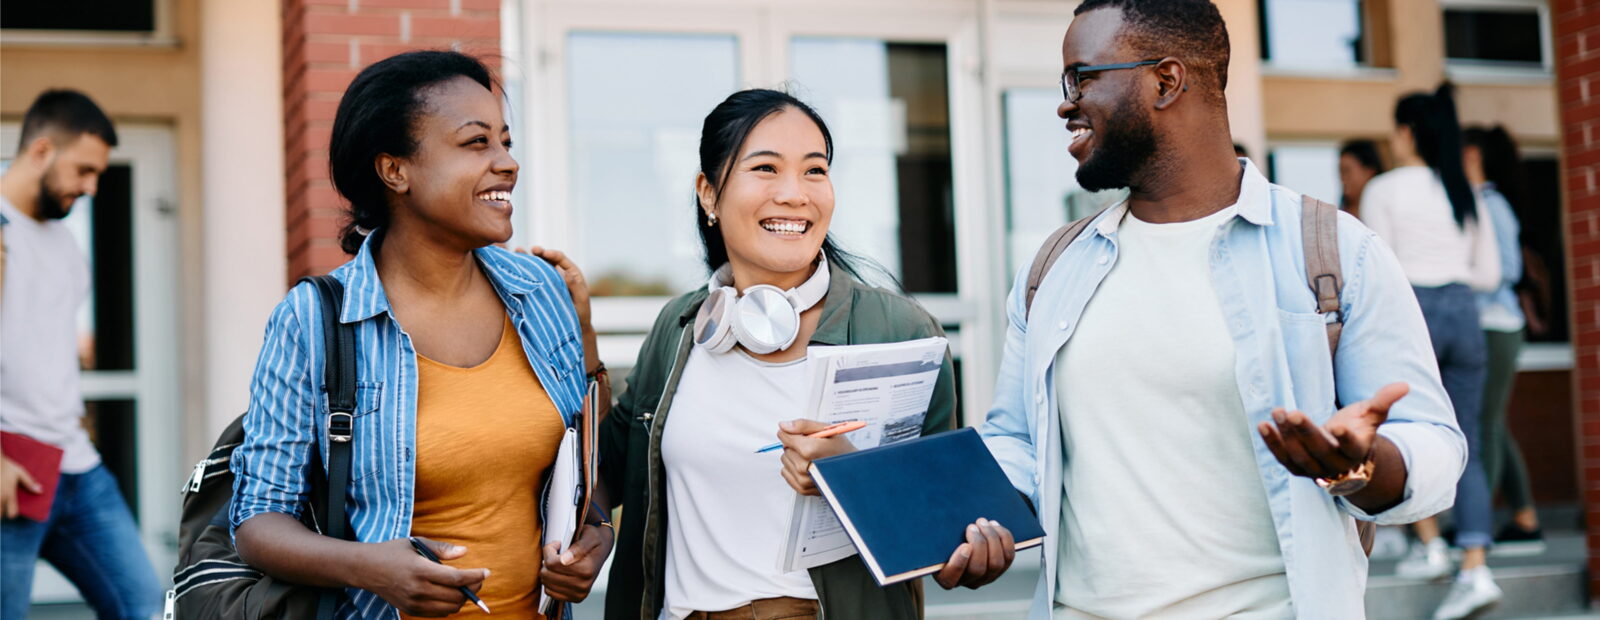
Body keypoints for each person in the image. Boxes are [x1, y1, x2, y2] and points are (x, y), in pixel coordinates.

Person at [975, 1, 1466, 618]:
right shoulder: (1052, 268)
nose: (1065, 103)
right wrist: (972, 519)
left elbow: (1433, 445)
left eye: (1082, 77)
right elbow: (1015, 441)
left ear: (1166, 81)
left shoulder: (1336, 252)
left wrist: (1360, 465)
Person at [593, 88, 1007, 620]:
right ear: (708, 194)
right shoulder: (677, 329)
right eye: (765, 168)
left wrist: (856, 481)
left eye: (815, 171)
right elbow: (608, 467)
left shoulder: (898, 330)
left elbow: (947, 523)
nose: (795, 194)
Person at [229, 51, 609, 618]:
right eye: (476, 143)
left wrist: (596, 532)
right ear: (395, 171)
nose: (507, 163)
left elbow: (583, 456)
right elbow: (256, 522)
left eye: (505, 141)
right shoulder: (315, 319)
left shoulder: (541, 290)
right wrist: (368, 567)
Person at [0, 89, 164, 620]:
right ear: (42, 149)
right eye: (84, 170)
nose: (93, 187)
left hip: (76, 466)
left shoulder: (67, 247)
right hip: (9, 469)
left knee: (145, 605)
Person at [1361, 85, 1501, 619]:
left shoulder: (1386, 188)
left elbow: (1376, 270)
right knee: (1468, 438)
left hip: (1412, 309)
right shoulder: (1461, 190)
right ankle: (1475, 567)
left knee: (1405, 427)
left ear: (1407, 132)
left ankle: (1431, 545)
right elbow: (1489, 272)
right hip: (1466, 312)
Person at [1463, 125, 1543, 551]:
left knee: (1484, 424)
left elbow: (1509, 270)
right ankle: (1525, 517)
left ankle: (1473, 527)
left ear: (1473, 156)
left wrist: (1461, 283)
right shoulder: (1480, 202)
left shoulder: (1491, 204)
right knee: (1494, 422)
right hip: (1490, 325)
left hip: (1497, 325)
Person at [1338, 138, 1385, 219]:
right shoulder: (1340, 214)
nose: (1343, 178)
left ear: (1369, 171)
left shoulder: (1384, 208)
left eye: (1347, 171)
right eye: (1341, 172)